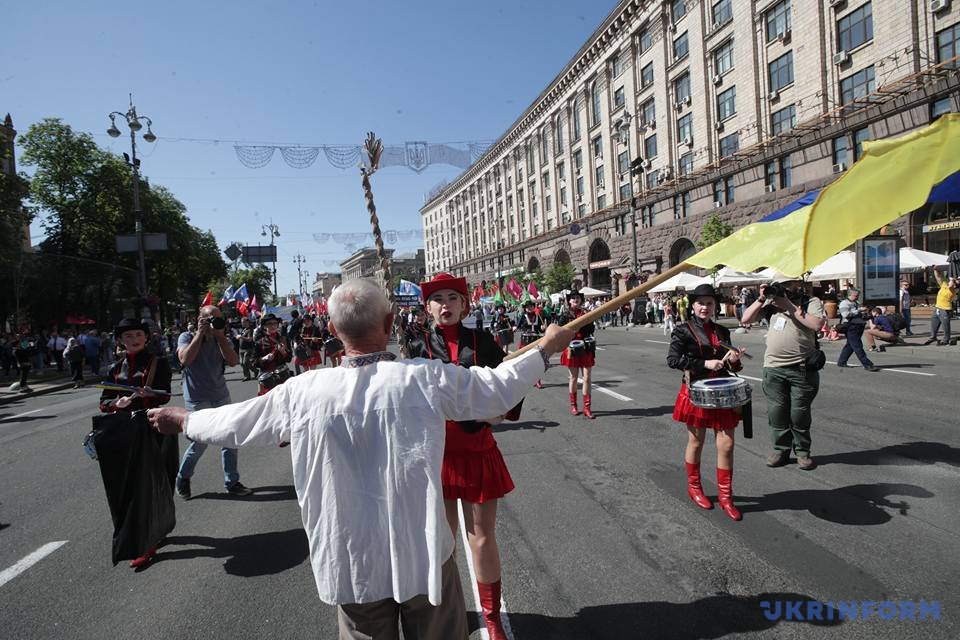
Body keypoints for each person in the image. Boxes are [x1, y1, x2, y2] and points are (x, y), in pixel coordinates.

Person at [147, 278, 573, 640]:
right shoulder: (423, 377)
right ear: (390, 325)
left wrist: (181, 418)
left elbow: (232, 424)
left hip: (352, 562)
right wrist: (548, 347)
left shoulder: (302, 392)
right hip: (422, 556)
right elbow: (497, 389)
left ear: (333, 328)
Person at [405, 273, 527, 640]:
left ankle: (491, 617)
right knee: (442, 543)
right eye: (438, 299)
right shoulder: (416, 348)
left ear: (464, 305)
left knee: (483, 538)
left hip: (476, 451)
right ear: (427, 308)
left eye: (453, 298)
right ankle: (451, 612)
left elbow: (509, 385)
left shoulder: (485, 342)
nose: (446, 305)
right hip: (435, 455)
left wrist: (499, 412)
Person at [98, 318, 175, 568]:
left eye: (138, 335)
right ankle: (145, 535)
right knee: (128, 486)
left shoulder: (157, 362)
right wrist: (114, 404)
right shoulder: (115, 367)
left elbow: (166, 393)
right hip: (124, 430)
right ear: (121, 340)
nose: (134, 339)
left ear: (146, 337)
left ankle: (148, 541)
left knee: (153, 484)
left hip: (152, 427)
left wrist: (150, 393)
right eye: (128, 336)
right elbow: (104, 400)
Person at [667, 284, 744, 521]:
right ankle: (694, 487)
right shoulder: (683, 331)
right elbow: (672, 360)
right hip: (697, 391)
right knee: (696, 441)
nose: (704, 307)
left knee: (727, 444)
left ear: (714, 305)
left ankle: (725, 497)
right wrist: (704, 365)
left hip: (721, 392)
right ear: (693, 305)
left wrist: (734, 360)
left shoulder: (722, 331)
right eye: (700, 303)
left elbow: (731, 366)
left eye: (709, 303)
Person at [742, 281, 826, 471]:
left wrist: (787, 304)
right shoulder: (770, 304)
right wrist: (762, 298)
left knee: (799, 413)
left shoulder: (809, 301)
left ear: (798, 282)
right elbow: (745, 319)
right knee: (777, 412)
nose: (786, 287)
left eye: (789, 282)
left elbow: (817, 324)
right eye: (782, 284)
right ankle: (780, 450)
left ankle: (803, 452)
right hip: (773, 368)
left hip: (802, 368)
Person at [174, 305, 252, 499]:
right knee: (200, 442)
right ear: (200, 318)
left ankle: (232, 482)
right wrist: (199, 335)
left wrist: (219, 337)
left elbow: (233, 361)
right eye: (210, 318)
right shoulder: (186, 336)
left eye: (218, 318)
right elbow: (185, 359)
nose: (214, 322)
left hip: (220, 394)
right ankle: (183, 476)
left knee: (230, 438)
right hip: (197, 397)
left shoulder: (221, 338)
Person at [558, 291, 597, 419]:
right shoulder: (564, 315)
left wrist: (587, 320)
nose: (575, 299)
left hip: (585, 347)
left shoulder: (586, 312)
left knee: (587, 377)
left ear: (581, 300)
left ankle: (587, 408)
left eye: (578, 298)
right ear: (569, 301)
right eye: (573, 298)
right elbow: (560, 331)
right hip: (572, 348)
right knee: (573, 378)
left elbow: (591, 329)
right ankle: (574, 405)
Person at [836, 288, 880, 371]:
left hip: (859, 326)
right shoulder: (844, 303)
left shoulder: (856, 302)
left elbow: (860, 315)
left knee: (850, 345)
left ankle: (841, 362)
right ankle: (867, 364)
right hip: (850, 327)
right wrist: (859, 310)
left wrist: (868, 315)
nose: (857, 297)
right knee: (857, 346)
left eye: (858, 295)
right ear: (849, 294)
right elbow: (846, 315)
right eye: (855, 295)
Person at [515, 299, 545, 389]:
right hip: (526, 341)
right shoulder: (523, 317)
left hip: (536, 340)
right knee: (526, 361)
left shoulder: (537, 316)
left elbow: (540, 329)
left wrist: (542, 328)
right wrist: (514, 327)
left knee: (537, 361)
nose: (529, 308)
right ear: (525, 308)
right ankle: (527, 379)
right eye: (528, 307)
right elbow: (518, 326)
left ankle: (538, 381)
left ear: (533, 307)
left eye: (531, 306)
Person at [925, 269, 957, 345]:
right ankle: (933, 337)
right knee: (934, 323)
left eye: (952, 282)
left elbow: (951, 285)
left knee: (945, 325)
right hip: (937, 308)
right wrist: (935, 269)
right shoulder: (944, 286)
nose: (949, 282)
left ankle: (946, 339)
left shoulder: (952, 291)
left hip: (945, 310)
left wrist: (952, 279)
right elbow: (938, 277)